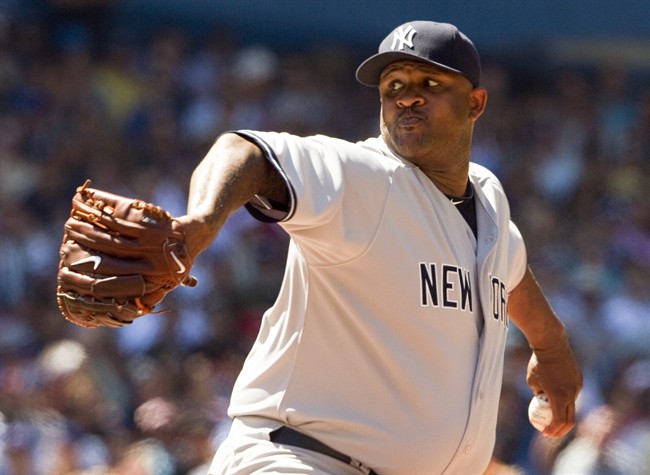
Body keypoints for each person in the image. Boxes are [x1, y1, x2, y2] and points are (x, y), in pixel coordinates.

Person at [178, 20, 583, 474]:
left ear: (475, 103)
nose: (407, 96)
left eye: (430, 83)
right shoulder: (365, 176)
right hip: (300, 458)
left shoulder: (487, 200)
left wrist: (550, 345)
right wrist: (202, 220)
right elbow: (244, 150)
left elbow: (509, 267)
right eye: (393, 86)